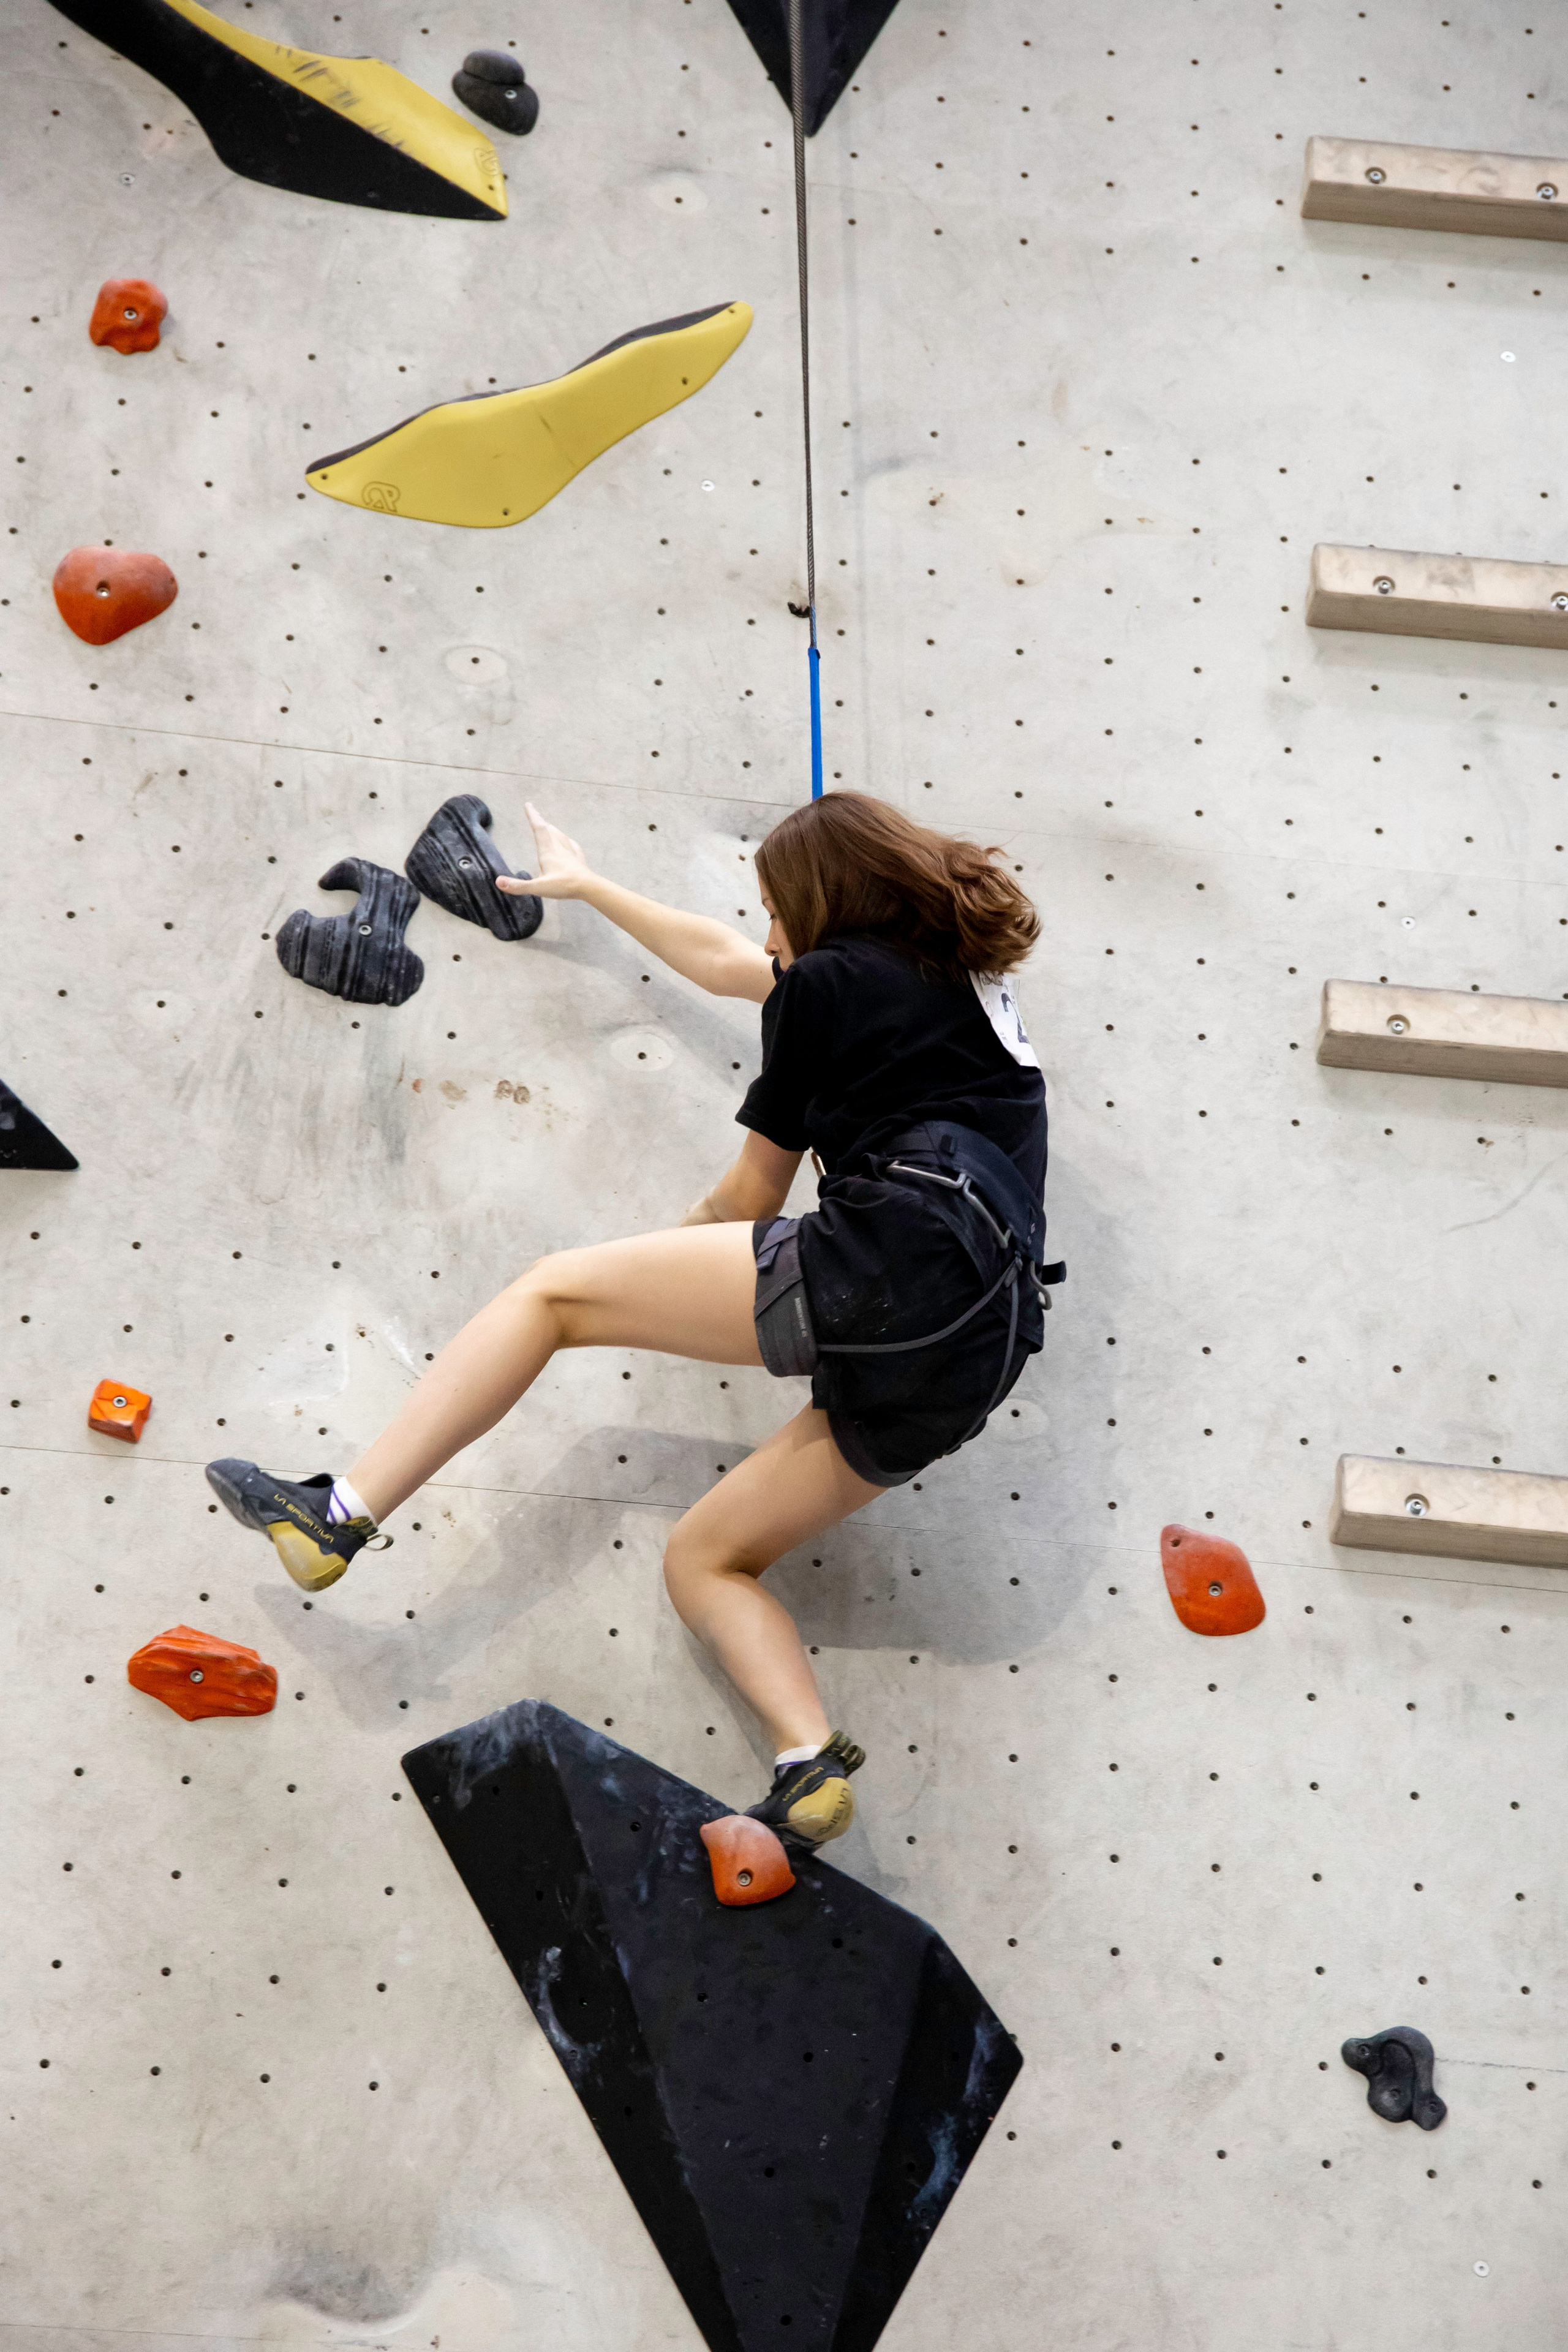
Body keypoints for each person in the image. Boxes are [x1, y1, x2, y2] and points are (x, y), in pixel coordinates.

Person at [208, 791, 1055, 1860]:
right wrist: (594, 888)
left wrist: (651, 1269)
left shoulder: (830, 986)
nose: (766, 932)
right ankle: (806, 1761)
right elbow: (728, 965)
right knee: (705, 1558)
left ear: (819, 903)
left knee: (551, 1295)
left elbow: (750, 1195)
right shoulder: (963, 994)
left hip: (900, 1255)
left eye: (775, 908)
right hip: (976, 1350)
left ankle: (340, 1510)